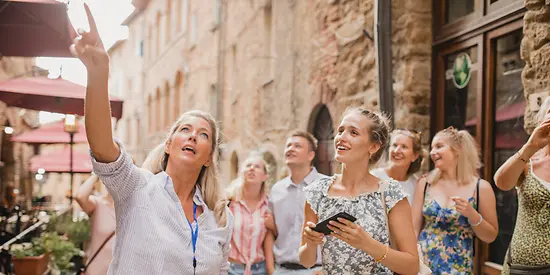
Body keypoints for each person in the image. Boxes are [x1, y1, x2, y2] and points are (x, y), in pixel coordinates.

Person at [71, 5, 233, 274]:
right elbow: (102, 146)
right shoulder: (136, 188)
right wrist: (98, 74)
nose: (193, 134)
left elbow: (222, 269)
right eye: (185, 129)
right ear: (168, 145)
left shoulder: (221, 218)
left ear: (208, 158)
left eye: (203, 134)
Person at [299, 108, 420, 274]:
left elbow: (412, 266)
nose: (341, 137)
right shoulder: (318, 191)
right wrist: (311, 243)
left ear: (373, 146)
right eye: (340, 130)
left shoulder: (390, 193)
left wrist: (367, 244)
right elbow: (306, 261)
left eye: (353, 132)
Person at [412, 127, 498, 274]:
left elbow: (490, 236)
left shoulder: (480, 188)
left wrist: (473, 215)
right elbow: (413, 229)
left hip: (458, 268)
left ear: (458, 150)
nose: (432, 153)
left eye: (439, 146)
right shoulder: (425, 183)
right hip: (423, 267)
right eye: (432, 148)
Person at [494, 97, 550, 274]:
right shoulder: (528, 161)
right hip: (521, 268)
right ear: (542, 121)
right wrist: (530, 146)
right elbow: (502, 182)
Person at [264, 131, 327, 275]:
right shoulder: (276, 190)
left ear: (311, 155)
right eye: (288, 146)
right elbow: (270, 232)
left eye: (297, 146)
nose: (290, 149)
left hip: (317, 271)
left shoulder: (326, 186)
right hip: (281, 270)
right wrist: (271, 270)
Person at [227, 153, 271, 275]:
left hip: (260, 270)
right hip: (231, 269)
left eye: (257, 166)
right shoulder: (228, 202)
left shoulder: (269, 206)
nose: (251, 168)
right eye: (248, 165)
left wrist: (273, 227)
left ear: (265, 176)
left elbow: (272, 241)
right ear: (241, 172)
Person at [371, 128, 425, 206]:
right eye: (394, 145)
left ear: (415, 156)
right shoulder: (375, 176)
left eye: (404, 147)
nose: (396, 151)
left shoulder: (416, 185)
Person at [75, 174, 115, 275]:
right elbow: (80, 197)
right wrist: (98, 172)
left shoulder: (132, 208)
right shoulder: (98, 204)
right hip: (96, 271)